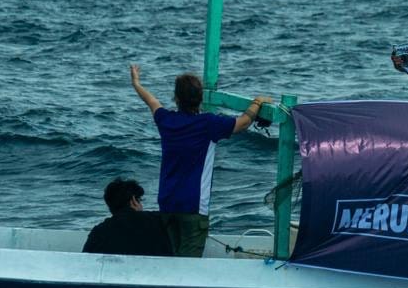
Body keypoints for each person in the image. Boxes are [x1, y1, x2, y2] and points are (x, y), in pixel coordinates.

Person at [129, 64, 272, 257]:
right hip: (193, 206)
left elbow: (151, 101)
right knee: (188, 266)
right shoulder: (208, 123)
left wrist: (136, 83)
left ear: (176, 99)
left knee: (169, 260)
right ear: (200, 98)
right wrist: (258, 101)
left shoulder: (166, 121)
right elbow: (244, 122)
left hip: (167, 203)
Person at [82, 178, 173, 257]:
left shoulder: (98, 232)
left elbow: (85, 259)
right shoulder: (159, 221)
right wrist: (141, 215)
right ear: (133, 200)